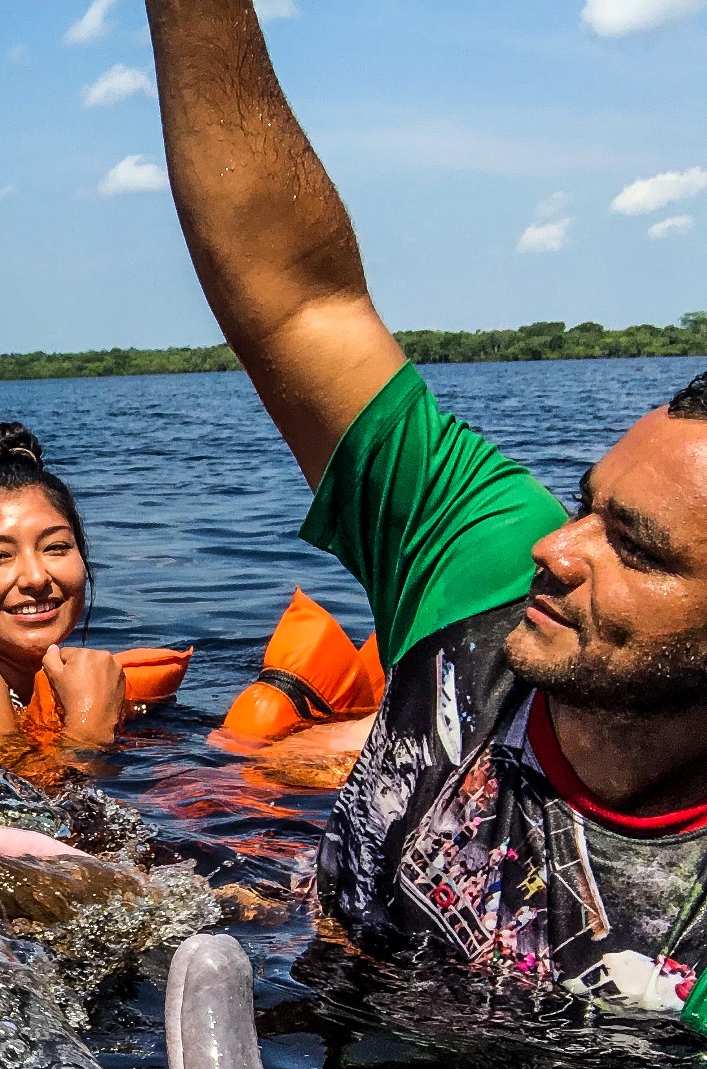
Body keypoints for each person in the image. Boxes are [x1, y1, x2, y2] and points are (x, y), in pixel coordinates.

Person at [149, 0, 707, 1008]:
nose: (555, 548)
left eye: (634, 546)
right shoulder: (481, 572)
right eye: (588, 504)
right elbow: (295, 298)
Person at [0, 421, 130, 745]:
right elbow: (3, 797)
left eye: (56, 548)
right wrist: (93, 724)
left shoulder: (37, 683)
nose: (36, 578)